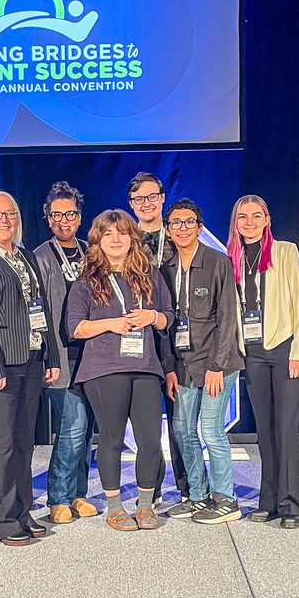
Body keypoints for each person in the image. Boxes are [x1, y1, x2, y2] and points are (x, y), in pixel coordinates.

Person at [0, 191, 61, 546]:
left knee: (22, 444)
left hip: (30, 360)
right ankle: (2, 521)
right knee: (0, 446)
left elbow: (41, 309)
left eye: (10, 214)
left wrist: (50, 356)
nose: (4, 220)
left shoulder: (26, 256)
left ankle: (21, 511)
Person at [66, 210, 174, 532]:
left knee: (150, 440)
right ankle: (115, 508)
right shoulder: (87, 280)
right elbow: (75, 328)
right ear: (98, 240)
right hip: (103, 368)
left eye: (122, 233)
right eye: (108, 234)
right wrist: (111, 324)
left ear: (132, 239)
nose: (116, 239)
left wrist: (152, 317)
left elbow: (168, 316)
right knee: (112, 439)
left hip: (145, 366)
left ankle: (145, 505)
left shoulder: (149, 274)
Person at [227, 195, 299, 529]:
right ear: (235, 223)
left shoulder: (285, 251)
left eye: (256, 215)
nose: (249, 222)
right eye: (242, 217)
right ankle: (268, 502)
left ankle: (290, 505)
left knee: (286, 428)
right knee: (265, 429)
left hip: (284, 348)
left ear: (267, 219)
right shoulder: (231, 258)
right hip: (252, 353)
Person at [160, 199, 244, 525]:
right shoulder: (165, 270)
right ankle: (198, 496)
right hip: (183, 365)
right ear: (168, 229)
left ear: (199, 227)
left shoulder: (217, 262)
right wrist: (169, 367)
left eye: (188, 222)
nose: (182, 228)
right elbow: (166, 326)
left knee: (210, 429)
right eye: (176, 223)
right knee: (182, 431)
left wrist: (216, 366)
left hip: (216, 363)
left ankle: (226, 498)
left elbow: (228, 318)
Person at [34, 181, 97, 525]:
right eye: (56, 215)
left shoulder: (93, 253)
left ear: (79, 217)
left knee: (86, 429)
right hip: (60, 355)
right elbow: (36, 311)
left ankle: (78, 494)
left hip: (94, 354)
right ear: (48, 218)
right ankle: (58, 497)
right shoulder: (40, 257)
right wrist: (47, 357)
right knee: (72, 425)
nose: (63, 221)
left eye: (69, 214)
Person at [126, 172, 188, 507]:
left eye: (152, 196)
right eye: (139, 199)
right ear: (131, 203)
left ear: (163, 198)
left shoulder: (179, 234)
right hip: (140, 341)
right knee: (147, 426)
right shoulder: (124, 240)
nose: (146, 203)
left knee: (181, 422)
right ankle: (153, 486)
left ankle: (189, 489)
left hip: (180, 337)